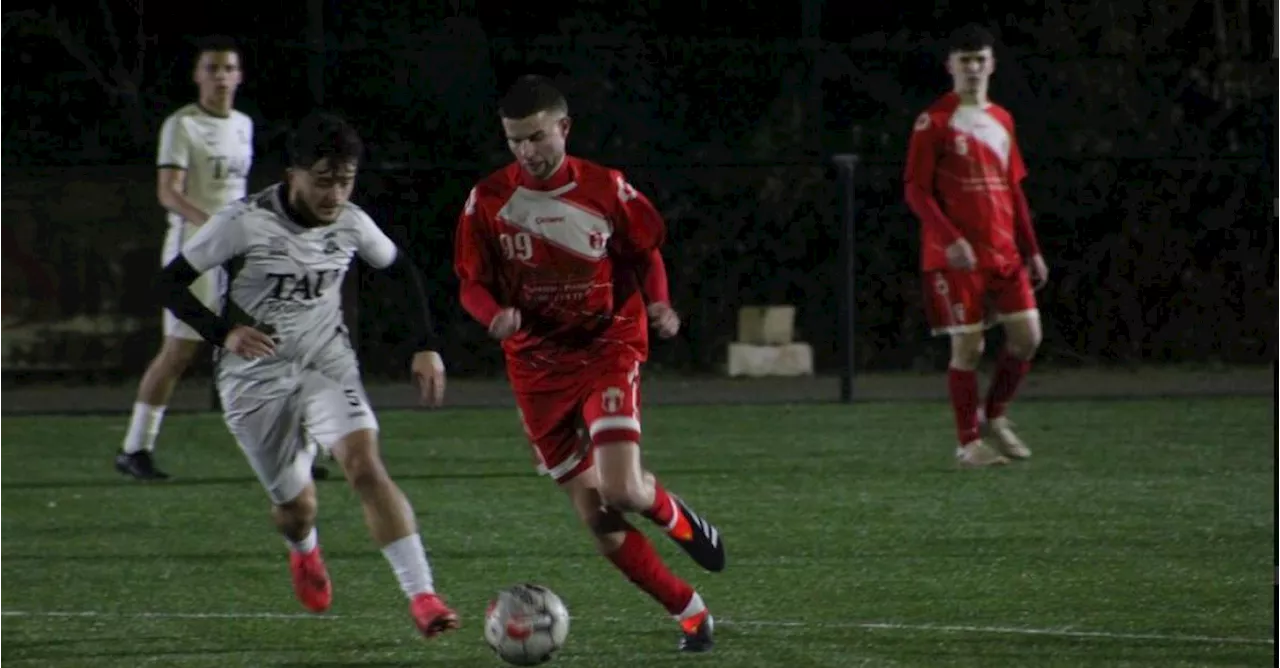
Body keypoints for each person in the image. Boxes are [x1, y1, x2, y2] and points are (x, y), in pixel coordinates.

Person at [155, 111, 459, 637]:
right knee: (297, 508)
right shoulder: (241, 223)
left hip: (325, 360)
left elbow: (400, 269)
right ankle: (303, 548)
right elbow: (170, 284)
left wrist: (426, 346)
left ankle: (423, 596)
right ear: (292, 174)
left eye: (345, 181)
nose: (335, 194)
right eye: (323, 180)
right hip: (253, 379)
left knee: (364, 465)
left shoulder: (351, 222)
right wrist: (224, 332)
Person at [454, 75, 723, 653]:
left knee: (623, 489)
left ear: (564, 129)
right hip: (536, 368)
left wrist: (658, 302)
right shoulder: (489, 202)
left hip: (607, 344)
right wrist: (491, 315)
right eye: (515, 141)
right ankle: (691, 611)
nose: (528, 151)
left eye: (537, 137)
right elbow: (469, 283)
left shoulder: (607, 188)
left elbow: (645, 252)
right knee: (598, 520)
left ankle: (678, 517)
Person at [114, 36, 331, 482]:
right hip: (193, 255)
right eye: (211, 68)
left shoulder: (243, 124)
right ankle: (135, 448)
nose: (220, 76)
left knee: (276, 341)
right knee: (177, 353)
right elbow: (168, 193)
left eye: (227, 68)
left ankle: (300, 453)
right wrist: (215, 227)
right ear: (197, 76)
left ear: (239, 75)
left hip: (239, 256)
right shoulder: (182, 125)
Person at [903, 24, 1049, 468]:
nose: (972, 67)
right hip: (956, 257)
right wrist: (951, 240)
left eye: (979, 59)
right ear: (950, 66)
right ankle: (968, 444)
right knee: (968, 349)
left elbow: (1014, 190)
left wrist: (1033, 248)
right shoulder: (935, 121)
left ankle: (995, 415)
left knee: (1027, 338)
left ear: (991, 64)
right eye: (963, 60)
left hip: (1004, 253)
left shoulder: (1002, 119)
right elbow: (915, 189)